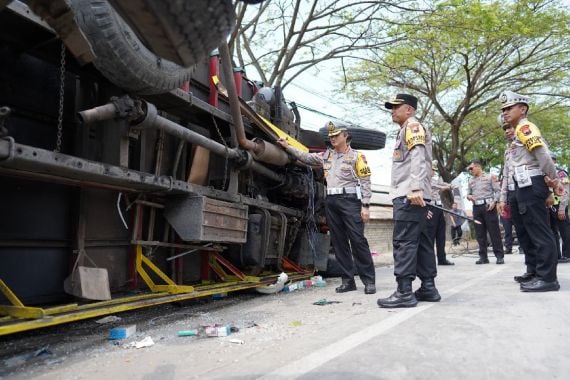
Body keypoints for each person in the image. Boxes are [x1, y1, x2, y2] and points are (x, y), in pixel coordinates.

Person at [276, 121, 376, 294]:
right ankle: (348, 281)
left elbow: (366, 181)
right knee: (339, 242)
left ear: (345, 135)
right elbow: (305, 157)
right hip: (332, 200)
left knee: (358, 240)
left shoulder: (357, 157)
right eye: (330, 136)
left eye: (336, 135)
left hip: (350, 200)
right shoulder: (326, 156)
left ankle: (369, 281)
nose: (333, 138)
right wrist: (287, 147)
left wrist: (365, 205)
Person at [377, 93, 440, 308]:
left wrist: (415, 188)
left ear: (409, 110)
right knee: (421, 242)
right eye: (391, 108)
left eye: (397, 107)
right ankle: (428, 288)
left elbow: (417, 157)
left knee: (404, 242)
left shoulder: (413, 127)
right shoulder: (406, 130)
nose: (392, 111)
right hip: (415, 194)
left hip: (409, 195)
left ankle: (404, 292)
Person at [499, 90, 564, 292]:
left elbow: (542, 154)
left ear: (522, 109)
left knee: (540, 232)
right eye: (504, 109)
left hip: (532, 182)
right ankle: (538, 273)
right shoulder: (518, 130)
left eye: (509, 108)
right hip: (522, 184)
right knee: (531, 231)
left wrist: (553, 180)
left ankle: (548, 278)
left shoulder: (526, 127)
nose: (505, 112)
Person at [466, 160, 505, 264]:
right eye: (469, 169)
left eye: (472, 168)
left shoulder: (489, 177)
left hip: (488, 207)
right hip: (476, 208)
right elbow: (468, 194)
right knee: (480, 233)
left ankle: (499, 256)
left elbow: (498, 191)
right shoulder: (470, 180)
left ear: (478, 167)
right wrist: (469, 197)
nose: (470, 171)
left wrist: (495, 201)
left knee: (494, 232)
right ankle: (483, 257)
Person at [429, 164, 454, 265]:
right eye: (432, 170)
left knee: (441, 235)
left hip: (439, 208)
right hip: (430, 208)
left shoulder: (435, 179)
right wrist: (447, 187)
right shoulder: (423, 180)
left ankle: (442, 259)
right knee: (430, 235)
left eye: (434, 170)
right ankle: (429, 260)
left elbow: (442, 183)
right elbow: (439, 187)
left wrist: (449, 185)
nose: (433, 172)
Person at [548, 154, 570, 263]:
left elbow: (566, 192)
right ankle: (556, 255)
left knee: (565, 231)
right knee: (552, 232)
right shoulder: (544, 173)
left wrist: (562, 208)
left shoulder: (561, 173)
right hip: (549, 206)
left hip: (560, 206)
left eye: (551, 160)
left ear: (555, 161)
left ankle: (567, 254)